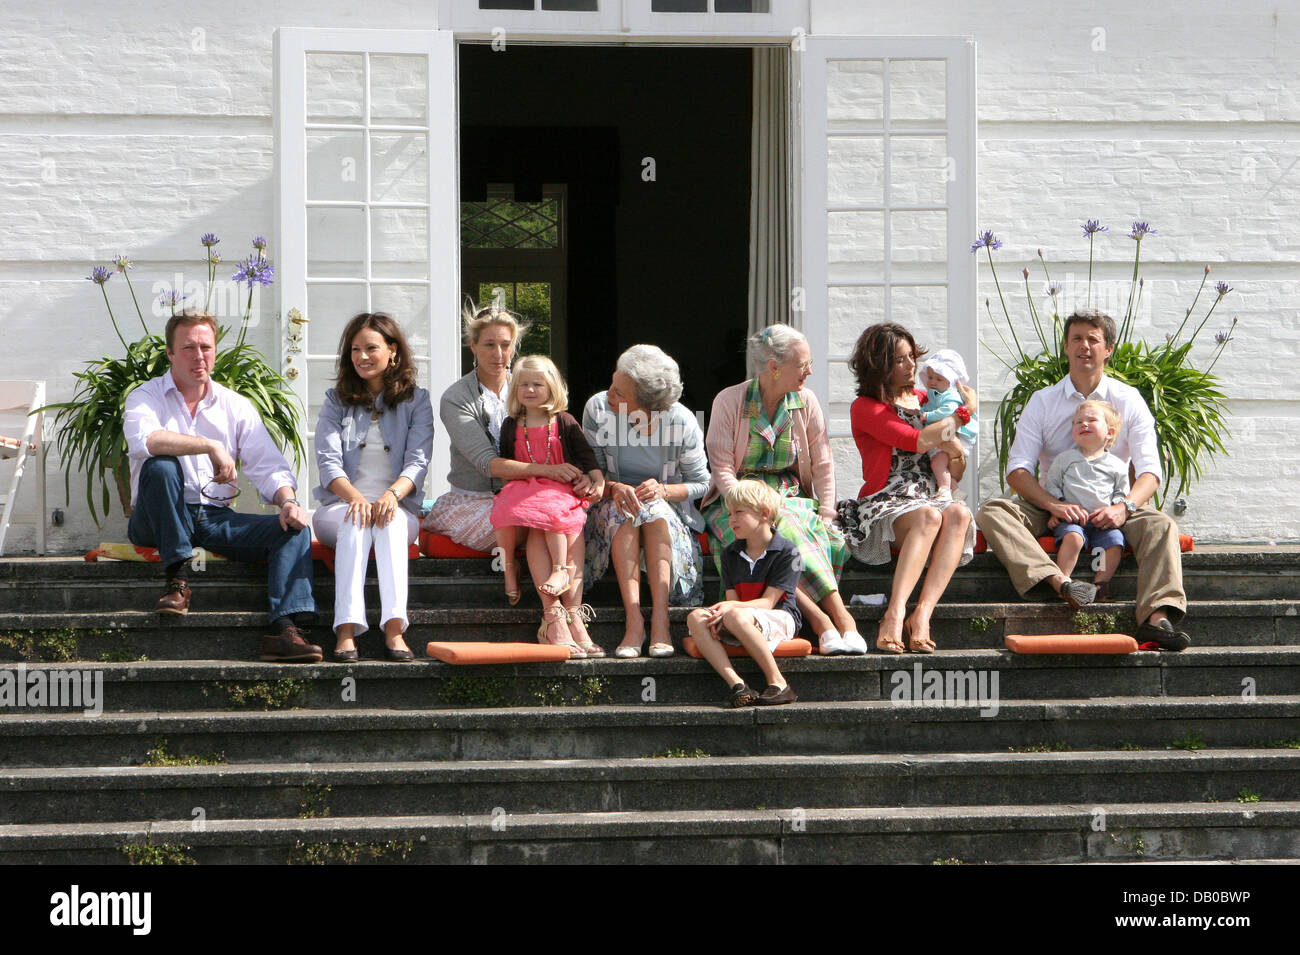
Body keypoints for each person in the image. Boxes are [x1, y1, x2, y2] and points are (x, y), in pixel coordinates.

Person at [975, 308, 1190, 650]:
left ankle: (1155, 617)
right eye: (1076, 338)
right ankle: (1057, 581)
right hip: (1054, 505)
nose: (1084, 346)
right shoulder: (1043, 402)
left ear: (1108, 349)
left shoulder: (1128, 400)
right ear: (1065, 346)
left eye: (1093, 339)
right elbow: (1017, 469)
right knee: (993, 510)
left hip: (1114, 505)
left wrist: (1125, 507)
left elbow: (1150, 471)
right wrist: (1052, 505)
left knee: (1162, 524)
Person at [123, 309, 321, 662]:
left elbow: (268, 465)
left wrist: (287, 500)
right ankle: (177, 580)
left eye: (206, 347)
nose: (199, 357)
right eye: (188, 348)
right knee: (162, 466)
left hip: (213, 517)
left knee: (293, 528)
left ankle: (284, 629)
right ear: (169, 353)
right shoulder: (145, 396)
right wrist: (210, 445)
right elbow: (145, 441)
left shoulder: (235, 405)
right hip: (155, 518)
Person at [424, 304, 598, 644]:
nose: (498, 353)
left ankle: (570, 616)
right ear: (472, 347)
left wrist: (584, 476)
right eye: (489, 344)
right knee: (542, 519)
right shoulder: (457, 397)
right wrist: (550, 471)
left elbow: (563, 438)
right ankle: (555, 617)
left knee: (556, 516)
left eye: (505, 344)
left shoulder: (527, 387)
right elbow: (486, 463)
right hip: (478, 499)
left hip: (535, 494)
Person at [702, 323, 867, 656]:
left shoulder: (805, 401)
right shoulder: (731, 400)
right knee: (777, 528)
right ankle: (826, 622)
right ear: (774, 367)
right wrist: (743, 503)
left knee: (793, 523)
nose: (809, 371)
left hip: (788, 492)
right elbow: (721, 467)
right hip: (736, 498)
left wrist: (826, 510)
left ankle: (839, 620)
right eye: (802, 364)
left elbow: (822, 463)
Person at [835, 323, 976, 654]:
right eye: (900, 360)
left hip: (930, 493)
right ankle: (894, 615)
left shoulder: (930, 400)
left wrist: (956, 454)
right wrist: (962, 417)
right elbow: (914, 441)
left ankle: (922, 614)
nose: (911, 366)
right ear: (879, 365)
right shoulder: (866, 407)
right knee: (929, 516)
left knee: (958, 513)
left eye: (912, 356)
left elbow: (954, 463)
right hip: (886, 497)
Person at [313, 313, 434, 663]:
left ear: (392, 351)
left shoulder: (417, 400)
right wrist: (356, 499)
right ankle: (346, 628)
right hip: (339, 508)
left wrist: (390, 496)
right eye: (355, 349)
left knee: (389, 522)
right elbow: (328, 462)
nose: (362, 357)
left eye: (371, 348)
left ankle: (394, 627)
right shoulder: (337, 400)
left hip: (397, 506)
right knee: (356, 520)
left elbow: (418, 461)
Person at [582, 345, 710, 659]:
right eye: (612, 384)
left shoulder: (681, 422)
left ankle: (661, 621)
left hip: (667, 517)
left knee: (651, 509)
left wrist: (665, 490)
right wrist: (613, 487)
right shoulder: (598, 409)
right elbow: (590, 471)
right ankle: (635, 620)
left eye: (620, 393)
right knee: (627, 509)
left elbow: (703, 483)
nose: (609, 394)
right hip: (609, 510)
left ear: (647, 405)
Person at [492, 354, 605, 658]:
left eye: (537, 384)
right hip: (528, 491)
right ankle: (562, 615)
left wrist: (597, 483)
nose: (530, 390)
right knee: (545, 520)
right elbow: (506, 463)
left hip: (562, 492)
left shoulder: (565, 421)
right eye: (523, 385)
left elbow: (588, 460)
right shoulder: (511, 424)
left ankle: (563, 615)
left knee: (556, 521)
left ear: (552, 387)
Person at [687, 480, 800, 707]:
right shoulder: (730, 553)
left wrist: (731, 610)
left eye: (739, 512)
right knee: (696, 617)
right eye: (729, 514)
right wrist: (723, 615)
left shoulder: (788, 551)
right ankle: (738, 685)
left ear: (764, 514)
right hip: (742, 617)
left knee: (734, 615)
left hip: (781, 617)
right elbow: (733, 601)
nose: (732, 520)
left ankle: (779, 682)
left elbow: (769, 603)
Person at [1042, 399, 1128, 603]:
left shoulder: (1116, 465)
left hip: (1102, 521)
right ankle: (1064, 582)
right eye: (1077, 422)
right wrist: (1057, 510)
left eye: (1091, 420)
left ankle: (1100, 584)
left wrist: (1116, 510)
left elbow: (1121, 493)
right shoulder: (1065, 459)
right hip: (1072, 519)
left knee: (1114, 543)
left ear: (1110, 433)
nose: (1083, 424)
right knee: (1074, 538)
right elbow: (1052, 486)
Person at [918, 349, 979, 501]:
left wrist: (928, 415)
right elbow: (930, 407)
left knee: (938, 464)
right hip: (946, 435)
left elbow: (948, 411)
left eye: (938, 379)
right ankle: (955, 490)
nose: (932, 382)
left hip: (956, 435)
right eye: (930, 377)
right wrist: (924, 411)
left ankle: (944, 491)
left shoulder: (950, 395)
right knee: (940, 465)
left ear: (950, 381)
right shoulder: (935, 394)